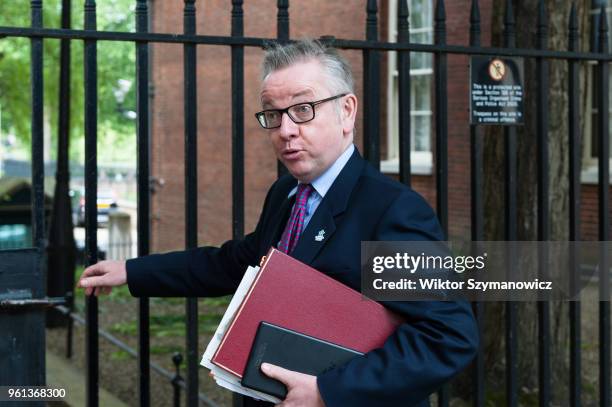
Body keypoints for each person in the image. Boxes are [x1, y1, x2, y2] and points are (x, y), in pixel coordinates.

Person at [78, 39, 478, 407]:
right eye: (273, 113)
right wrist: (131, 271)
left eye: (303, 110)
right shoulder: (286, 194)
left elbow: (448, 336)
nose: (286, 130)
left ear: (347, 111)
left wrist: (327, 391)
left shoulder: (393, 210)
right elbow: (237, 265)